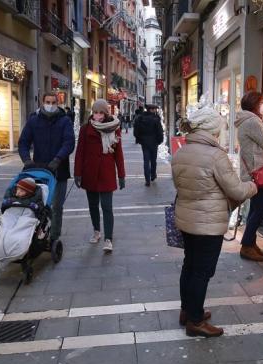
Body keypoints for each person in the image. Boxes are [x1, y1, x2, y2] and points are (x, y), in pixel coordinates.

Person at [172, 105, 258, 338]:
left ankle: (187, 310)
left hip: (187, 218)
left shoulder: (182, 151)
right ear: (212, 130)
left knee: (190, 266)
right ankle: (196, 321)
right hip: (208, 223)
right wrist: (254, 185)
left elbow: (178, 184)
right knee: (202, 272)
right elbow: (237, 190)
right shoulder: (215, 155)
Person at [18, 92, 75, 243]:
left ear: (58, 103)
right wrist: (26, 160)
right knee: (38, 204)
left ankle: (54, 236)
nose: (50, 105)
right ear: (42, 103)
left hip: (59, 171)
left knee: (56, 206)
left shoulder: (65, 121)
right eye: (47, 102)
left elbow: (69, 142)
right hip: (39, 170)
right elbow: (23, 142)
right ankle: (38, 233)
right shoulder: (34, 121)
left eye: (53, 102)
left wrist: (58, 159)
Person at [74, 99, 125, 253]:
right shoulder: (85, 129)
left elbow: (118, 154)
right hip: (89, 173)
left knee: (107, 207)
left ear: (106, 113)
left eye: (101, 112)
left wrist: (121, 175)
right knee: (93, 206)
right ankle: (97, 231)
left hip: (106, 173)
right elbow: (79, 153)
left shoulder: (114, 128)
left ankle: (108, 238)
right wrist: (77, 173)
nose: (98, 115)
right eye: (95, 112)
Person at [235, 91, 263, 262]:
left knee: (255, 208)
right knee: (262, 209)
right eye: (262, 101)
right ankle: (246, 245)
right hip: (257, 171)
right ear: (255, 104)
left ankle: (251, 244)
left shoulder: (246, 120)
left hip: (253, 171)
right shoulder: (252, 121)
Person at [134, 104, 164, 186]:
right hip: (154, 142)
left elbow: (136, 130)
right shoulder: (155, 119)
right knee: (153, 160)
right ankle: (153, 175)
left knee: (146, 160)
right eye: (154, 109)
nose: (155, 111)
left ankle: (147, 179)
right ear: (151, 110)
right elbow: (160, 131)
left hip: (144, 142)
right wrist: (160, 140)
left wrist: (139, 139)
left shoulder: (140, 118)